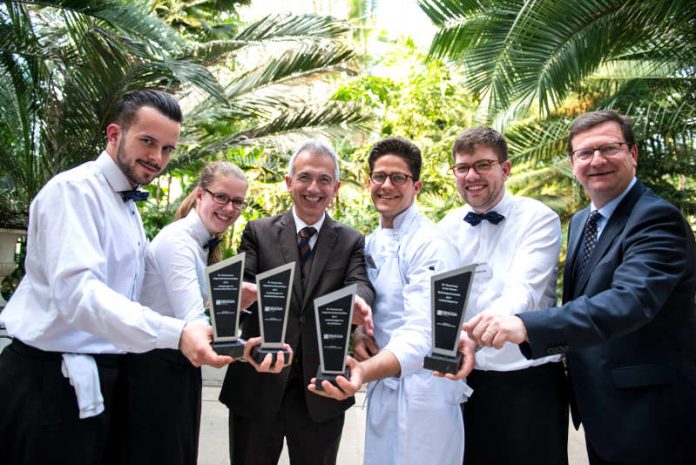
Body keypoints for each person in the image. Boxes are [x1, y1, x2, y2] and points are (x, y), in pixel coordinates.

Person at [0, 89, 231, 465]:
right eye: (148, 142)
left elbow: (132, 295)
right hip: (48, 384)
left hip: (102, 381)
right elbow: (81, 297)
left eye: (168, 149)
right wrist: (177, 333)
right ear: (113, 135)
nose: (157, 158)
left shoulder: (129, 208)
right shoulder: (73, 192)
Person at [464, 111, 696, 465]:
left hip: (651, 412)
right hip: (602, 408)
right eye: (585, 153)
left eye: (609, 148)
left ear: (633, 154)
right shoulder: (581, 222)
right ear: (572, 163)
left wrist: (527, 325)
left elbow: (628, 301)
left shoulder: (656, 218)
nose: (596, 160)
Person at [309, 136, 474, 465]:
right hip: (385, 385)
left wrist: (363, 372)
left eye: (398, 177)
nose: (386, 185)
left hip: (425, 392)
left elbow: (424, 334)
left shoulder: (431, 244)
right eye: (379, 176)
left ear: (417, 186)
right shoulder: (370, 241)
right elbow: (371, 305)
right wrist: (358, 334)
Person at [218, 139, 375, 465]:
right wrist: (241, 294)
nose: (313, 187)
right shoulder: (258, 232)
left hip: (321, 389)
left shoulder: (350, 241)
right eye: (304, 177)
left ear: (336, 187)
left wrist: (357, 302)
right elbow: (243, 280)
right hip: (257, 386)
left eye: (324, 179)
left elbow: (360, 282)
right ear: (289, 183)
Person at [124, 161, 292, 465]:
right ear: (200, 194)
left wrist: (230, 302)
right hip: (153, 370)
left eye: (238, 201)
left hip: (176, 365)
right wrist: (247, 350)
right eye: (221, 197)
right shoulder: (179, 242)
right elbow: (192, 323)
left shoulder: (199, 242)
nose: (229, 208)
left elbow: (181, 303)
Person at [437, 127, 568, 465]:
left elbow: (522, 291)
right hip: (466, 382)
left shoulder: (538, 218)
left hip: (528, 382)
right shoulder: (447, 226)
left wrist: (475, 336)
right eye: (462, 168)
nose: (471, 176)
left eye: (483, 165)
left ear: (505, 169)